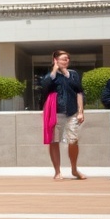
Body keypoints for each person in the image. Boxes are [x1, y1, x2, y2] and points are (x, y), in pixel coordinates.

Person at [40, 50, 86, 180]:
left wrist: (81, 111)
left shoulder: (73, 74)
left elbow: (79, 91)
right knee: (54, 141)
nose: (66, 61)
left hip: (72, 112)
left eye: (67, 59)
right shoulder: (51, 76)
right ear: (55, 60)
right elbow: (44, 87)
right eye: (63, 59)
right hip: (56, 112)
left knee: (73, 140)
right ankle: (57, 171)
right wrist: (54, 71)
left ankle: (74, 169)